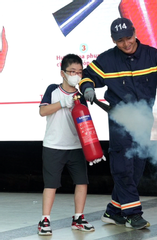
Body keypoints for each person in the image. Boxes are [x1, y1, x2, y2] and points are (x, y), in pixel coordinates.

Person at [79, 17, 157, 230]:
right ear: (113, 40)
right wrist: (88, 87)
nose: (126, 43)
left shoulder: (153, 56)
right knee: (123, 166)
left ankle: (113, 211)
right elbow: (86, 76)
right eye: (120, 41)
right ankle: (133, 214)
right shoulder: (107, 60)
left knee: (137, 167)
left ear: (135, 33)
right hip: (120, 121)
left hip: (144, 121)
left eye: (128, 38)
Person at [38, 54, 95, 235]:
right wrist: (62, 103)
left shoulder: (81, 95)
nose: (76, 76)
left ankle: (78, 218)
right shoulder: (53, 90)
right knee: (51, 184)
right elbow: (43, 111)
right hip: (53, 145)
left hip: (76, 146)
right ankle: (45, 220)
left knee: (82, 182)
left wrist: (93, 148)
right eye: (72, 71)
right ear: (63, 73)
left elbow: (85, 123)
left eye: (79, 72)